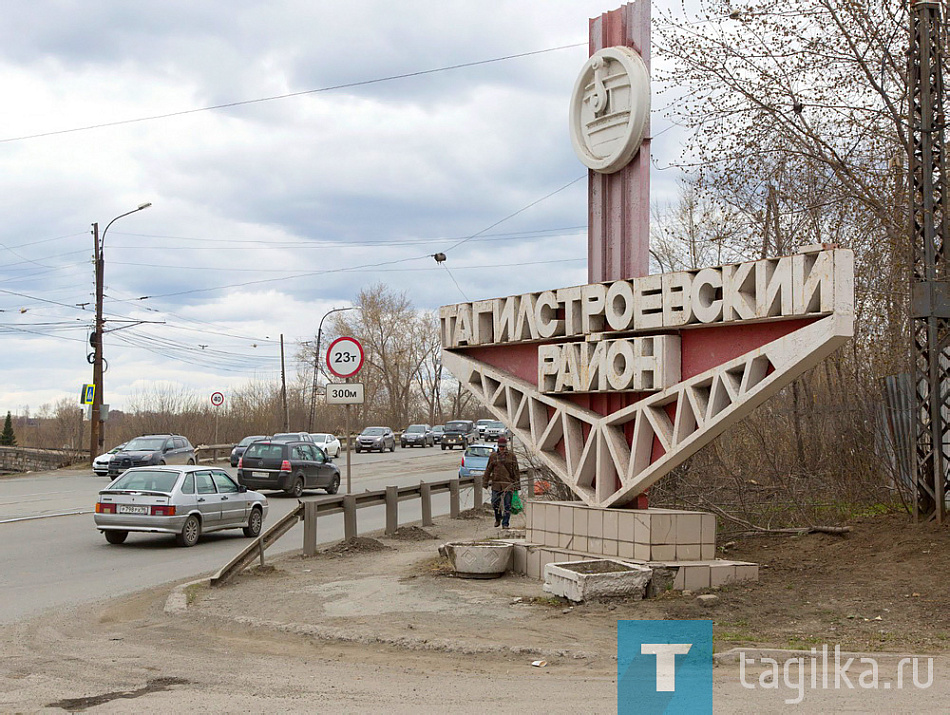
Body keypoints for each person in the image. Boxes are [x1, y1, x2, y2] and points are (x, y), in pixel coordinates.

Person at [484, 436, 519, 528]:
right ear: (498, 446)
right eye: (500, 446)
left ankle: (505, 523)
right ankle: (498, 518)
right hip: (496, 484)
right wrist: (485, 482)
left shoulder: (512, 456)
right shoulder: (493, 456)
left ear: (506, 446)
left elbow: (516, 471)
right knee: (495, 502)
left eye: (503, 446)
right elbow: (488, 470)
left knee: (508, 505)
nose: (502, 448)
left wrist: (516, 484)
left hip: (508, 483)